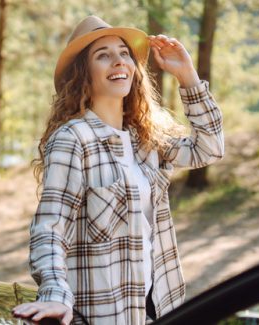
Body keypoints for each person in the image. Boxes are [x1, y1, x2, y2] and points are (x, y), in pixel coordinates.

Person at [11, 15, 224, 325]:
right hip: (107, 316)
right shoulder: (74, 139)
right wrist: (55, 293)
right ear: (84, 74)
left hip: (161, 309)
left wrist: (187, 76)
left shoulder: (146, 137)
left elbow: (210, 148)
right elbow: (50, 230)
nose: (119, 61)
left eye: (124, 53)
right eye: (103, 55)